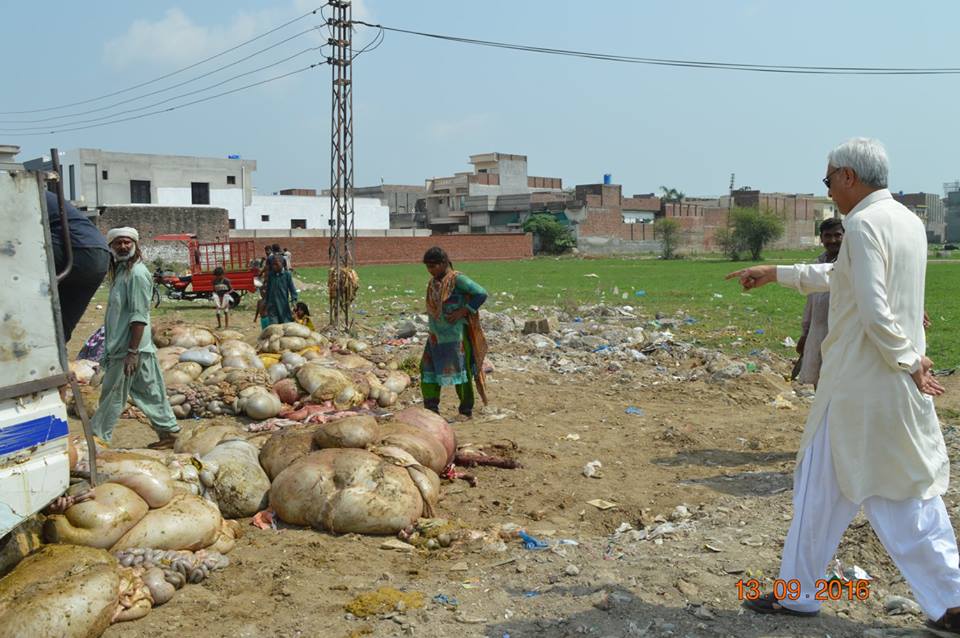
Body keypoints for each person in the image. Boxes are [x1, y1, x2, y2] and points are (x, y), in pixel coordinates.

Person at [727, 138, 959, 630]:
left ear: (849, 177)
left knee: (898, 498)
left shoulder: (864, 224)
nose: (828, 188)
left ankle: (951, 601)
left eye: (829, 179)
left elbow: (873, 306)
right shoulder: (906, 221)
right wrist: (778, 273)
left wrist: (909, 359)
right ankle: (799, 593)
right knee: (830, 493)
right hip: (881, 388)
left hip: (862, 387)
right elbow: (845, 279)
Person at [89, 227, 180, 448]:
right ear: (111, 247)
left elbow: (139, 316)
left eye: (127, 243)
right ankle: (169, 433)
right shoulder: (122, 272)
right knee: (151, 392)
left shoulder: (137, 274)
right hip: (133, 348)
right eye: (118, 243)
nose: (123, 247)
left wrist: (131, 352)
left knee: (112, 395)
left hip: (129, 349)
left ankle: (96, 440)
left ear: (135, 245)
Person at [420, 247, 489, 420]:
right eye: (428, 267)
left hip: (455, 336)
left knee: (461, 370)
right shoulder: (434, 282)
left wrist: (463, 311)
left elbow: (481, 293)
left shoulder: (458, 279)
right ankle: (431, 408)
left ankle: (465, 410)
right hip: (436, 336)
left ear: (444, 263)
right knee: (427, 369)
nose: (430, 270)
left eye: (433, 266)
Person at [46, 191, 110, 343]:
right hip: (100, 256)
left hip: (75, 249)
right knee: (59, 331)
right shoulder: (48, 195)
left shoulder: (19, 190)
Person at [794, 217, 844, 388]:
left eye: (837, 235)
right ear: (821, 238)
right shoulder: (816, 265)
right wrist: (805, 334)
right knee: (819, 380)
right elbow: (810, 304)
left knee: (840, 382)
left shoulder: (852, 264)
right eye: (827, 235)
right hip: (818, 331)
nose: (832, 240)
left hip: (842, 334)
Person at [264, 254, 297, 324]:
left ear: (282, 263)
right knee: (274, 325)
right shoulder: (271, 275)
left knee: (285, 324)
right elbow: (268, 289)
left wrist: (294, 300)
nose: (274, 266)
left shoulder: (287, 275)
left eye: (276, 264)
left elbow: (292, 289)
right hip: (272, 305)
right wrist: (266, 302)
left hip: (283, 305)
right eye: (273, 264)